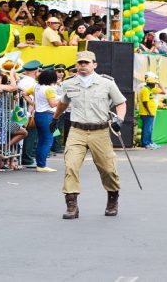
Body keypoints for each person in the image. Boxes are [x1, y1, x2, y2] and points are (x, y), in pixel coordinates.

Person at [50, 51, 127, 220]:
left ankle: (113, 198)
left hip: (100, 131)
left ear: (94, 64)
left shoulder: (106, 83)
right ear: (76, 65)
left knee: (108, 168)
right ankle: (72, 205)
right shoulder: (69, 84)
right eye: (80, 63)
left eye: (86, 62)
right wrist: (55, 119)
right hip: (77, 130)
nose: (83, 65)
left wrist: (119, 119)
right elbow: (63, 102)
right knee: (71, 165)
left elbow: (121, 102)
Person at [23, 70, 58, 172]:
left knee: (41, 141)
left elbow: (24, 93)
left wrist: (33, 103)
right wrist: (63, 100)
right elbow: (52, 104)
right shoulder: (50, 89)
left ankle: (40, 164)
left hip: (38, 115)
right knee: (47, 141)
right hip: (48, 115)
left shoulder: (36, 87)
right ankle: (42, 165)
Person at [138, 72, 165, 149]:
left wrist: (158, 81)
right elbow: (145, 102)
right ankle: (146, 143)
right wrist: (149, 112)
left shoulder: (150, 89)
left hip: (149, 113)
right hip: (147, 113)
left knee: (149, 129)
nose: (155, 84)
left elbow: (164, 91)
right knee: (147, 129)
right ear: (150, 83)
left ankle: (149, 142)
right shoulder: (145, 90)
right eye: (154, 83)